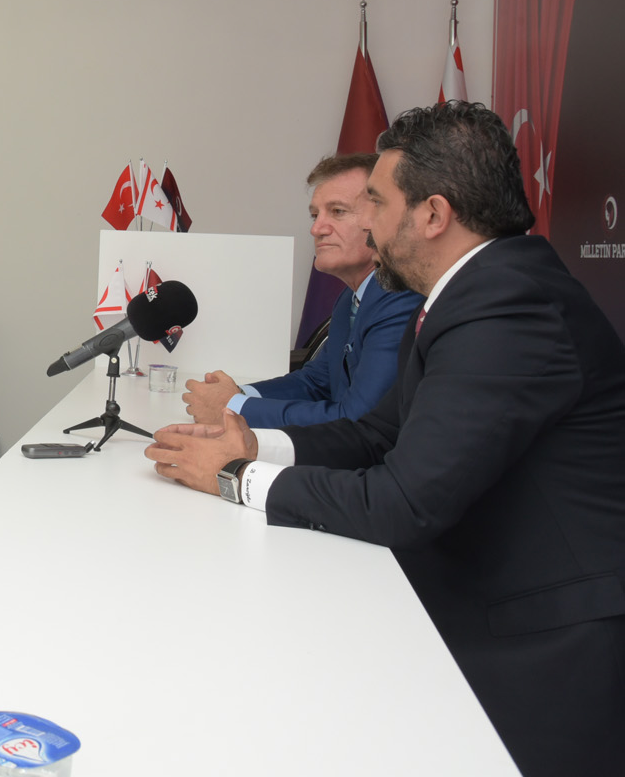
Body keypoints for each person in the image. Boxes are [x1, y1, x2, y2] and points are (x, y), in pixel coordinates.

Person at [143, 102, 625, 777]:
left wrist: (235, 478)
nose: (364, 222)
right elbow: (378, 433)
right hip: (487, 601)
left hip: (545, 642)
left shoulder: (509, 305)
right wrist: (253, 448)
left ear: (432, 215)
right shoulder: (472, 290)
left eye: (374, 201)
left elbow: (404, 502)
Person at [182, 154, 420, 429]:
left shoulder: (399, 296)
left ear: (380, 215)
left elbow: (358, 419)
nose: (316, 229)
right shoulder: (351, 298)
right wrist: (237, 395)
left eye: (338, 211)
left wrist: (235, 407)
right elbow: (316, 382)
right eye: (315, 215)